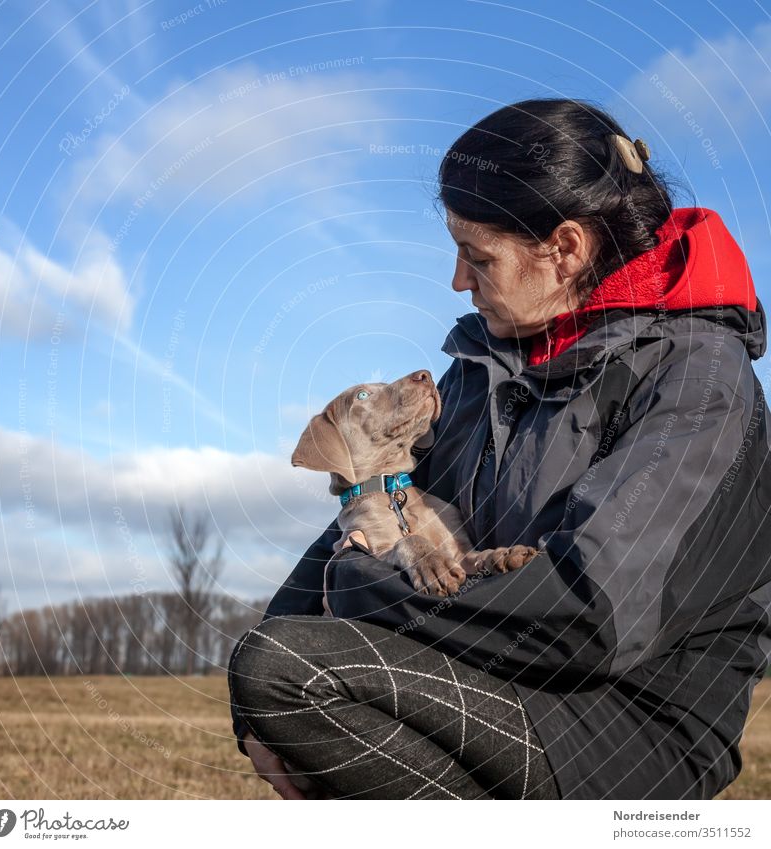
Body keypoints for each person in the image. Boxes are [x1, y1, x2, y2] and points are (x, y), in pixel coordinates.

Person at [227, 98, 771, 800]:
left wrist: (355, 588)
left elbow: (590, 613)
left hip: (627, 720)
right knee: (266, 664)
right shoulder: (486, 364)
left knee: (288, 669)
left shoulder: (699, 380)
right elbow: (380, 503)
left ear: (566, 249)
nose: (458, 281)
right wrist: (254, 711)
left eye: (478, 256)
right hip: (494, 670)